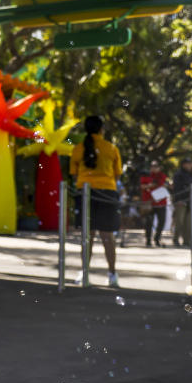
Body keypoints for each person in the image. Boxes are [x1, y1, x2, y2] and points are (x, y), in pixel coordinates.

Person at [70, 115, 123, 287]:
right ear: (102, 129)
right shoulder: (111, 148)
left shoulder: (78, 148)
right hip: (107, 193)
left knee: (87, 235)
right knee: (107, 236)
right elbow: (117, 173)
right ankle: (112, 274)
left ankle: (84, 272)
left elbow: (74, 173)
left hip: (85, 192)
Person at [140, 160, 168, 247]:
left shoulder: (162, 175)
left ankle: (157, 238)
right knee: (148, 222)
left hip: (161, 203)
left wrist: (150, 185)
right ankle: (148, 239)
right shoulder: (146, 176)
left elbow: (162, 184)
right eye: (152, 166)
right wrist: (151, 185)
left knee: (162, 221)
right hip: (150, 203)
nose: (154, 168)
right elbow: (142, 186)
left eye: (156, 166)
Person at [171, 158, 192, 247]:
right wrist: (178, 200)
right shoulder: (178, 174)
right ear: (184, 164)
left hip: (190, 200)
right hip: (181, 201)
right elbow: (176, 189)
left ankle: (187, 241)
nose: (190, 165)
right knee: (179, 222)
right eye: (188, 164)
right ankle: (176, 239)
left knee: (188, 223)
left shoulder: (191, 173)